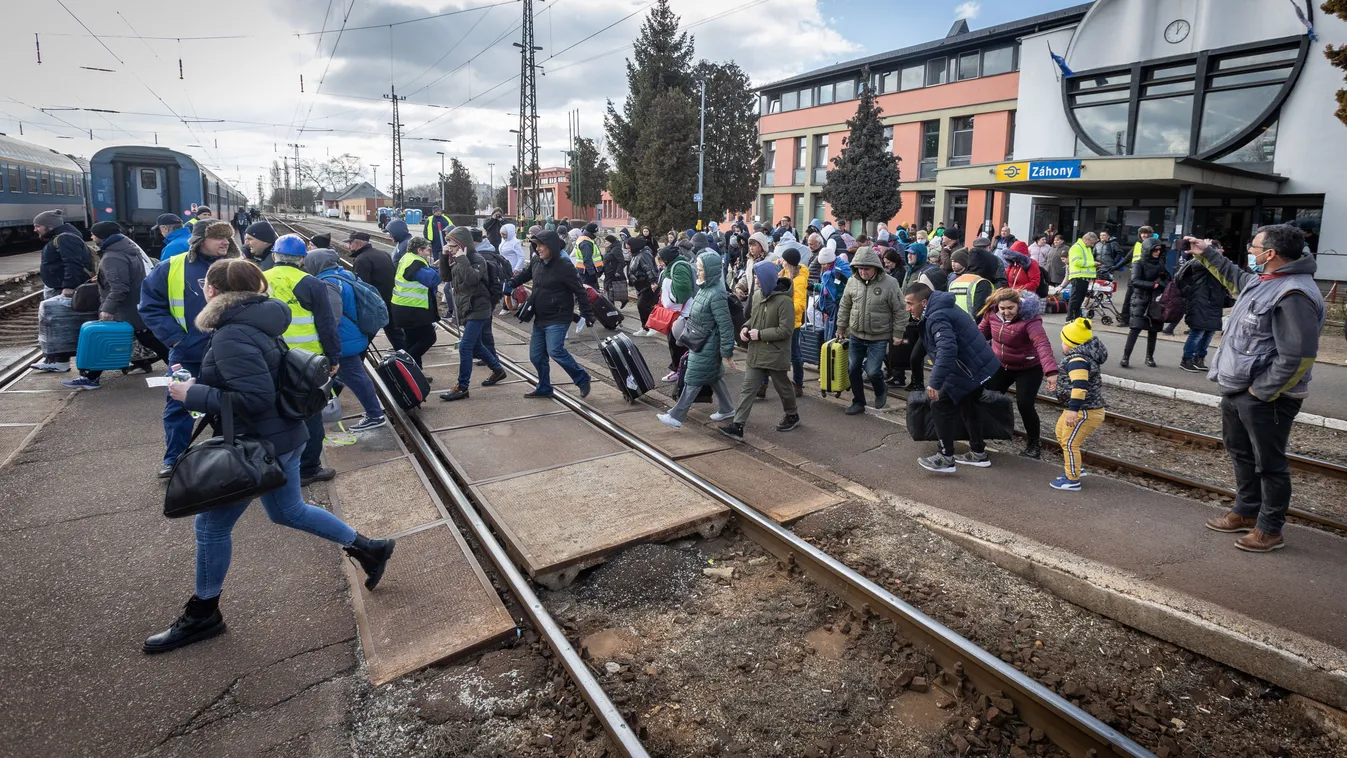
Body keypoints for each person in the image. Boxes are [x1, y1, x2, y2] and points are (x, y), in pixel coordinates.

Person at [144, 258, 395, 655]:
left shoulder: (231, 334)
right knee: (288, 511)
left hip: (260, 443)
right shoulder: (260, 319)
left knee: (211, 529)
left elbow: (254, 398)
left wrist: (190, 393)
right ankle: (370, 548)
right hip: (284, 436)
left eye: (204, 285)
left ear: (213, 291)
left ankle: (203, 614)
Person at [1192, 227, 1324, 552]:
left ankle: (1270, 529)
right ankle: (1246, 511)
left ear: (1271, 254)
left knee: (1270, 464)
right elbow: (1235, 278)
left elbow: (1299, 357)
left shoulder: (1294, 294)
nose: (1250, 251)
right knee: (1242, 454)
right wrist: (1206, 253)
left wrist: (1260, 392)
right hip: (1238, 388)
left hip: (1267, 397)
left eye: (1254, 247)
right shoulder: (1263, 280)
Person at [139, 221, 240, 477]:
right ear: (198, 240)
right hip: (188, 353)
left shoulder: (238, 266)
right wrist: (175, 340)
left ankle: (230, 455)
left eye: (227, 236)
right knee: (179, 407)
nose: (225, 241)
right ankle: (175, 460)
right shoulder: (171, 268)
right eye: (218, 237)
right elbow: (150, 306)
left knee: (232, 405)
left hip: (231, 353)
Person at [264, 235, 344, 487]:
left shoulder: (258, 278)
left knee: (274, 411)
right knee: (310, 413)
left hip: (270, 357)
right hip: (307, 362)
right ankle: (308, 468)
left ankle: (274, 463)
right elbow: (326, 324)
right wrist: (333, 357)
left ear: (275, 255)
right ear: (301, 259)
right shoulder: (310, 283)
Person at [62, 221, 168, 389]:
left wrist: (107, 309)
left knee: (107, 341)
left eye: (93, 234)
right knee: (150, 340)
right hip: (133, 306)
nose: (91, 237)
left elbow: (119, 287)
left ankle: (91, 378)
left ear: (102, 236)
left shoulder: (113, 256)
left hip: (124, 309)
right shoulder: (125, 249)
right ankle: (92, 377)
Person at [907, 283, 1000, 474]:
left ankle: (946, 457)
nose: (908, 308)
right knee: (968, 405)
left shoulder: (936, 316)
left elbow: (947, 349)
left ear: (924, 302)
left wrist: (935, 381)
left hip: (967, 369)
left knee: (938, 404)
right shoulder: (941, 306)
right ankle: (978, 452)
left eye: (910, 303)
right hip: (978, 365)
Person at [302, 249, 388, 432]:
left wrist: (325, 339)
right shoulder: (343, 275)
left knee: (356, 377)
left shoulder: (327, 283)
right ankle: (330, 404)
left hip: (343, 340)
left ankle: (375, 415)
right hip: (353, 334)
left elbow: (332, 317)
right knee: (347, 375)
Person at [505, 230, 594, 399]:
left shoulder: (564, 266)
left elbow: (580, 291)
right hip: (540, 315)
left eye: (540, 245)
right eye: (535, 245)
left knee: (555, 350)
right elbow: (525, 274)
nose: (537, 249)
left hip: (559, 316)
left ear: (551, 246)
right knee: (536, 356)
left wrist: (587, 313)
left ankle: (581, 378)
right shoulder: (537, 261)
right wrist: (511, 283)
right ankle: (544, 387)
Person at [720, 261, 800, 440]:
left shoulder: (785, 301)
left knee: (783, 388)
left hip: (775, 353)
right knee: (748, 388)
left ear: (768, 279)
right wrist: (746, 328)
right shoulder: (757, 296)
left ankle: (792, 414)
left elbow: (786, 330)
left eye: (758, 277)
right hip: (756, 352)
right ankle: (738, 425)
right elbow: (753, 319)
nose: (755, 280)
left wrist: (761, 334)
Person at [657, 251, 737, 429]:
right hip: (701, 341)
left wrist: (727, 352)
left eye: (701, 270)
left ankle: (676, 417)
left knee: (693, 378)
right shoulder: (706, 288)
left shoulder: (716, 294)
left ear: (710, 271)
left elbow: (725, 325)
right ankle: (727, 408)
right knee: (714, 376)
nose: (698, 272)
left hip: (707, 344)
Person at [978, 288, 1058, 459]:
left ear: (1019, 306)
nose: (1006, 312)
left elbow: (1042, 344)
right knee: (987, 397)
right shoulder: (991, 314)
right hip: (1001, 365)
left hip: (1028, 368)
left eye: (1010, 308)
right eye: (1003, 308)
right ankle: (981, 435)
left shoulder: (1030, 320)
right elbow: (978, 336)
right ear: (997, 306)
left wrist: (1050, 371)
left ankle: (1033, 444)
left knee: (1025, 405)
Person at [836, 246, 908, 415]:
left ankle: (880, 389)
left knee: (873, 370)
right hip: (856, 334)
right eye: (860, 268)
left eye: (866, 268)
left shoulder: (890, 284)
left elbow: (900, 310)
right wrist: (841, 327)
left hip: (879, 335)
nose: (863, 272)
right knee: (853, 369)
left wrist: (898, 333)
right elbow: (845, 305)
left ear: (876, 267)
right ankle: (858, 401)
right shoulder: (852, 282)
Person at [440, 227, 507, 401]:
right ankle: (498, 370)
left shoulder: (477, 260)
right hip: (467, 308)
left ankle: (462, 387)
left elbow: (471, 280)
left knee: (465, 346)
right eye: (449, 244)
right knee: (476, 345)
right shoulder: (456, 259)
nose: (450, 248)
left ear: (463, 245)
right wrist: (443, 256)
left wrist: (461, 258)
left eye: (453, 245)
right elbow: (446, 277)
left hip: (479, 308)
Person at [31, 209, 95, 372]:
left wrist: (68, 286)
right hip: (58, 287)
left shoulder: (65, 238)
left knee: (58, 324)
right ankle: (56, 359)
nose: (35, 230)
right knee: (56, 324)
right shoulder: (61, 237)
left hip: (64, 289)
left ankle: (60, 361)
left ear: (49, 226)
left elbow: (72, 263)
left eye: (37, 226)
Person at [1051, 317, 1109, 491]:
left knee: (1069, 443)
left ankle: (1072, 479)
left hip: (1085, 410)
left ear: (1072, 343)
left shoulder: (1077, 360)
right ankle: (1076, 467)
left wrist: (1073, 410)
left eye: (1063, 341)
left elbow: (1080, 386)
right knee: (1061, 434)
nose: (1062, 344)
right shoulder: (1080, 357)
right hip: (1078, 408)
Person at [1174, 250, 1233, 373]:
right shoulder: (1198, 263)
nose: (1220, 254)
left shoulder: (1216, 267)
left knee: (1209, 333)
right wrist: (1209, 253)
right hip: (1200, 302)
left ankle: (1199, 358)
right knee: (1197, 332)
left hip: (1214, 303)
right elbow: (1198, 264)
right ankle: (1187, 359)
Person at [391, 236, 442, 370]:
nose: (429, 252)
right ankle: (403, 364)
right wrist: (440, 267)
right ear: (419, 250)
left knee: (411, 340)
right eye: (426, 249)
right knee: (429, 338)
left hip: (402, 307)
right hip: (413, 309)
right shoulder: (416, 263)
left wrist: (432, 267)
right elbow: (433, 280)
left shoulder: (407, 258)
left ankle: (414, 372)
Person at [348, 231, 403, 351]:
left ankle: (358, 361)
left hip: (374, 304)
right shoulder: (384, 254)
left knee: (366, 336)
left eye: (350, 243)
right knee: (395, 333)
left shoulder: (361, 260)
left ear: (359, 244)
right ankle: (408, 359)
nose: (349, 247)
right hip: (390, 299)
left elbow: (361, 287)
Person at [1120, 238, 1170, 369]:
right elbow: (1134, 281)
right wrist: (1154, 285)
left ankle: (1149, 357)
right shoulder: (1138, 263)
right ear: (1148, 250)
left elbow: (1167, 278)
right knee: (1135, 329)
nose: (1157, 252)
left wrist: (1163, 282)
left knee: (1153, 330)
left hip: (1155, 301)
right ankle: (1125, 357)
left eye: (1159, 250)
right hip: (1140, 299)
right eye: (1155, 249)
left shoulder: (1160, 263)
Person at [657, 245, 695, 382]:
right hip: (680, 312)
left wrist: (672, 298)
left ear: (667, 260)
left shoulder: (678, 268)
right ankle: (681, 369)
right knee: (676, 341)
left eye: (661, 260)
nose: (660, 263)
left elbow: (683, 292)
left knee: (677, 342)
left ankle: (680, 370)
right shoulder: (674, 267)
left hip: (684, 313)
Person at [780, 247, 809, 396]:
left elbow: (800, 304)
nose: (782, 262)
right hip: (783, 320)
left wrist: (785, 308)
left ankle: (798, 383)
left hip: (793, 322)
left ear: (789, 263)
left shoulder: (799, 280)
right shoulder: (786, 273)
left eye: (784, 260)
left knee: (794, 354)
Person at [627, 237, 660, 336]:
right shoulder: (636, 255)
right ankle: (645, 327)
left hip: (647, 285)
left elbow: (649, 269)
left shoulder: (644, 255)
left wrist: (653, 281)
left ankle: (653, 326)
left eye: (629, 248)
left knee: (643, 305)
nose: (628, 250)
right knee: (642, 306)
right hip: (641, 286)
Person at [947, 250, 993, 317]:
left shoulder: (954, 282)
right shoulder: (981, 283)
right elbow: (980, 313)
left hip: (956, 324)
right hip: (973, 325)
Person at [1066, 232, 1098, 320]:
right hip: (1078, 277)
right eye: (1092, 243)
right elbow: (1077, 262)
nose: (1092, 245)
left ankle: (1075, 318)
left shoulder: (1085, 248)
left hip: (1083, 277)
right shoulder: (1077, 247)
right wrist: (1093, 264)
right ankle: (1070, 319)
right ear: (1086, 240)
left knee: (1079, 300)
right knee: (1075, 300)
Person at [602, 233, 628, 307]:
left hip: (613, 273)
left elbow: (621, 261)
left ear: (611, 242)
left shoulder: (616, 249)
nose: (605, 243)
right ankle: (613, 305)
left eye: (607, 242)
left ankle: (612, 306)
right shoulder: (609, 249)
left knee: (611, 289)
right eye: (605, 241)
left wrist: (618, 271)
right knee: (610, 289)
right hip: (608, 272)